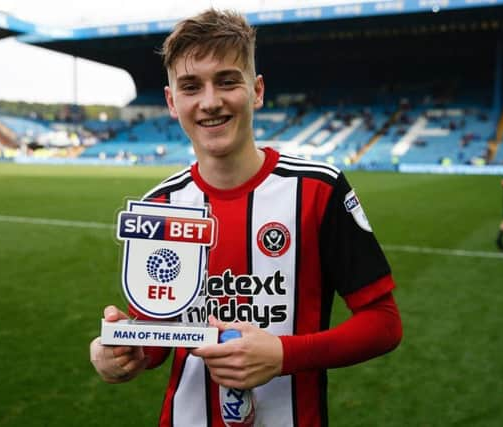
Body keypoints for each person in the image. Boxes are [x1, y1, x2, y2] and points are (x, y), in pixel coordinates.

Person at [89, 9, 402, 426]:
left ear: (256, 91)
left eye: (227, 81)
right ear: (171, 101)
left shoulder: (318, 190)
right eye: (191, 86)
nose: (210, 101)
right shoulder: (160, 205)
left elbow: (383, 324)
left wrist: (284, 355)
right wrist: (122, 349)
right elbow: (158, 339)